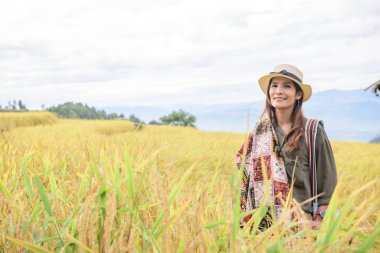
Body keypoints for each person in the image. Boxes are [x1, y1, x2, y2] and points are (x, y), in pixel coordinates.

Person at [236, 64, 337, 231]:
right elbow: (243, 168)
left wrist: (319, 219)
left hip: (301, 224)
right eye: (274, 85)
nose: (278, 91)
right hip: (262, 225)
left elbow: (327, 178)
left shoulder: (312, 130)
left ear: (298, 94)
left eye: (286, 86)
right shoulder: (259, 131)